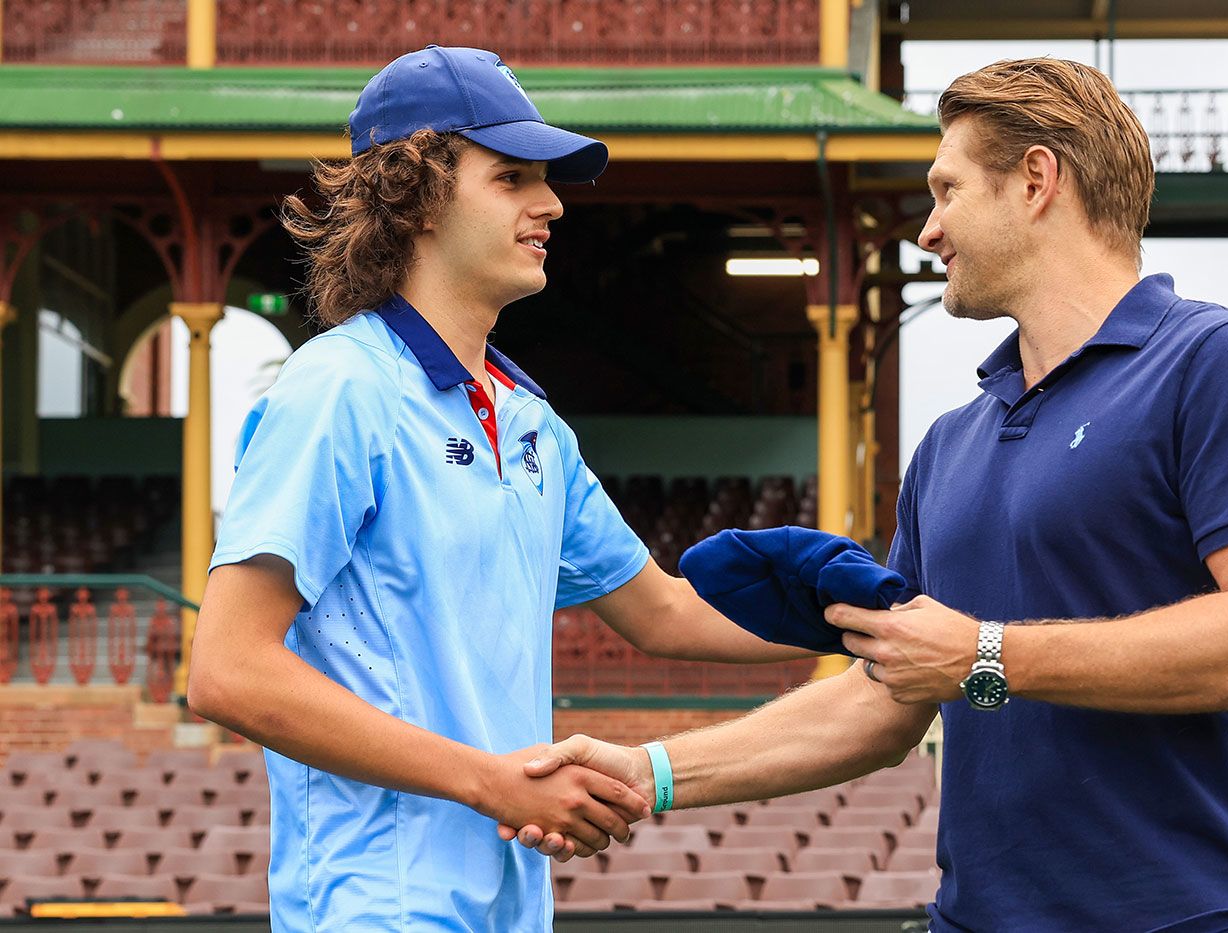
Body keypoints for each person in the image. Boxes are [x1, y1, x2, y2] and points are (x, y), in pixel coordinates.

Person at [503, 57, 1228, 932]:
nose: (928, 230)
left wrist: (985, 655)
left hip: (1201, 915)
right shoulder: (950, 444)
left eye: (945, 191)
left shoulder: (1223, 365)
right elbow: (887, 695)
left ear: (1034, 180)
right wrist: (648, 773)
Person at [185, 45, 809, 931]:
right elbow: (226, 670)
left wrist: (879, 621)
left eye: (543, 180)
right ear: (418, 196)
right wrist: (487, 781)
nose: (550, 203)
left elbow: (666, 613)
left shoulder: (530, 420)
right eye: (511, 177)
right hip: (377, 905)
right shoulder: (338, 389)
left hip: (513, 903)